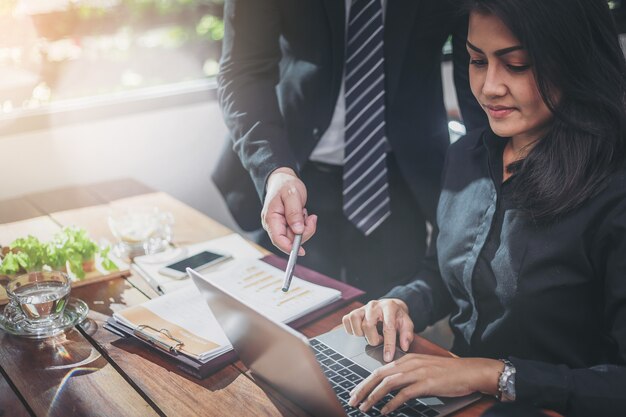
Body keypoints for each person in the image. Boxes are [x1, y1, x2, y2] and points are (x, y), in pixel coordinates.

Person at [341, 0, 626, 415]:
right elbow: (444, 272)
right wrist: (402, 304)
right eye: (477, 60)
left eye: (517, 65)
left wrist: (493, 375)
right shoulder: (467, 156)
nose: (489, 87)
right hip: (459, 399)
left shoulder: (612, 190)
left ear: (575, 61)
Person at [213, 0, 486, 298]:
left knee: (385, 324)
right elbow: (243, 71)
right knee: (286, 312)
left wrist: (490, 182)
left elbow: (476, 68)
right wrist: (273, 169)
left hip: (398, 183)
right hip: (292, 173)